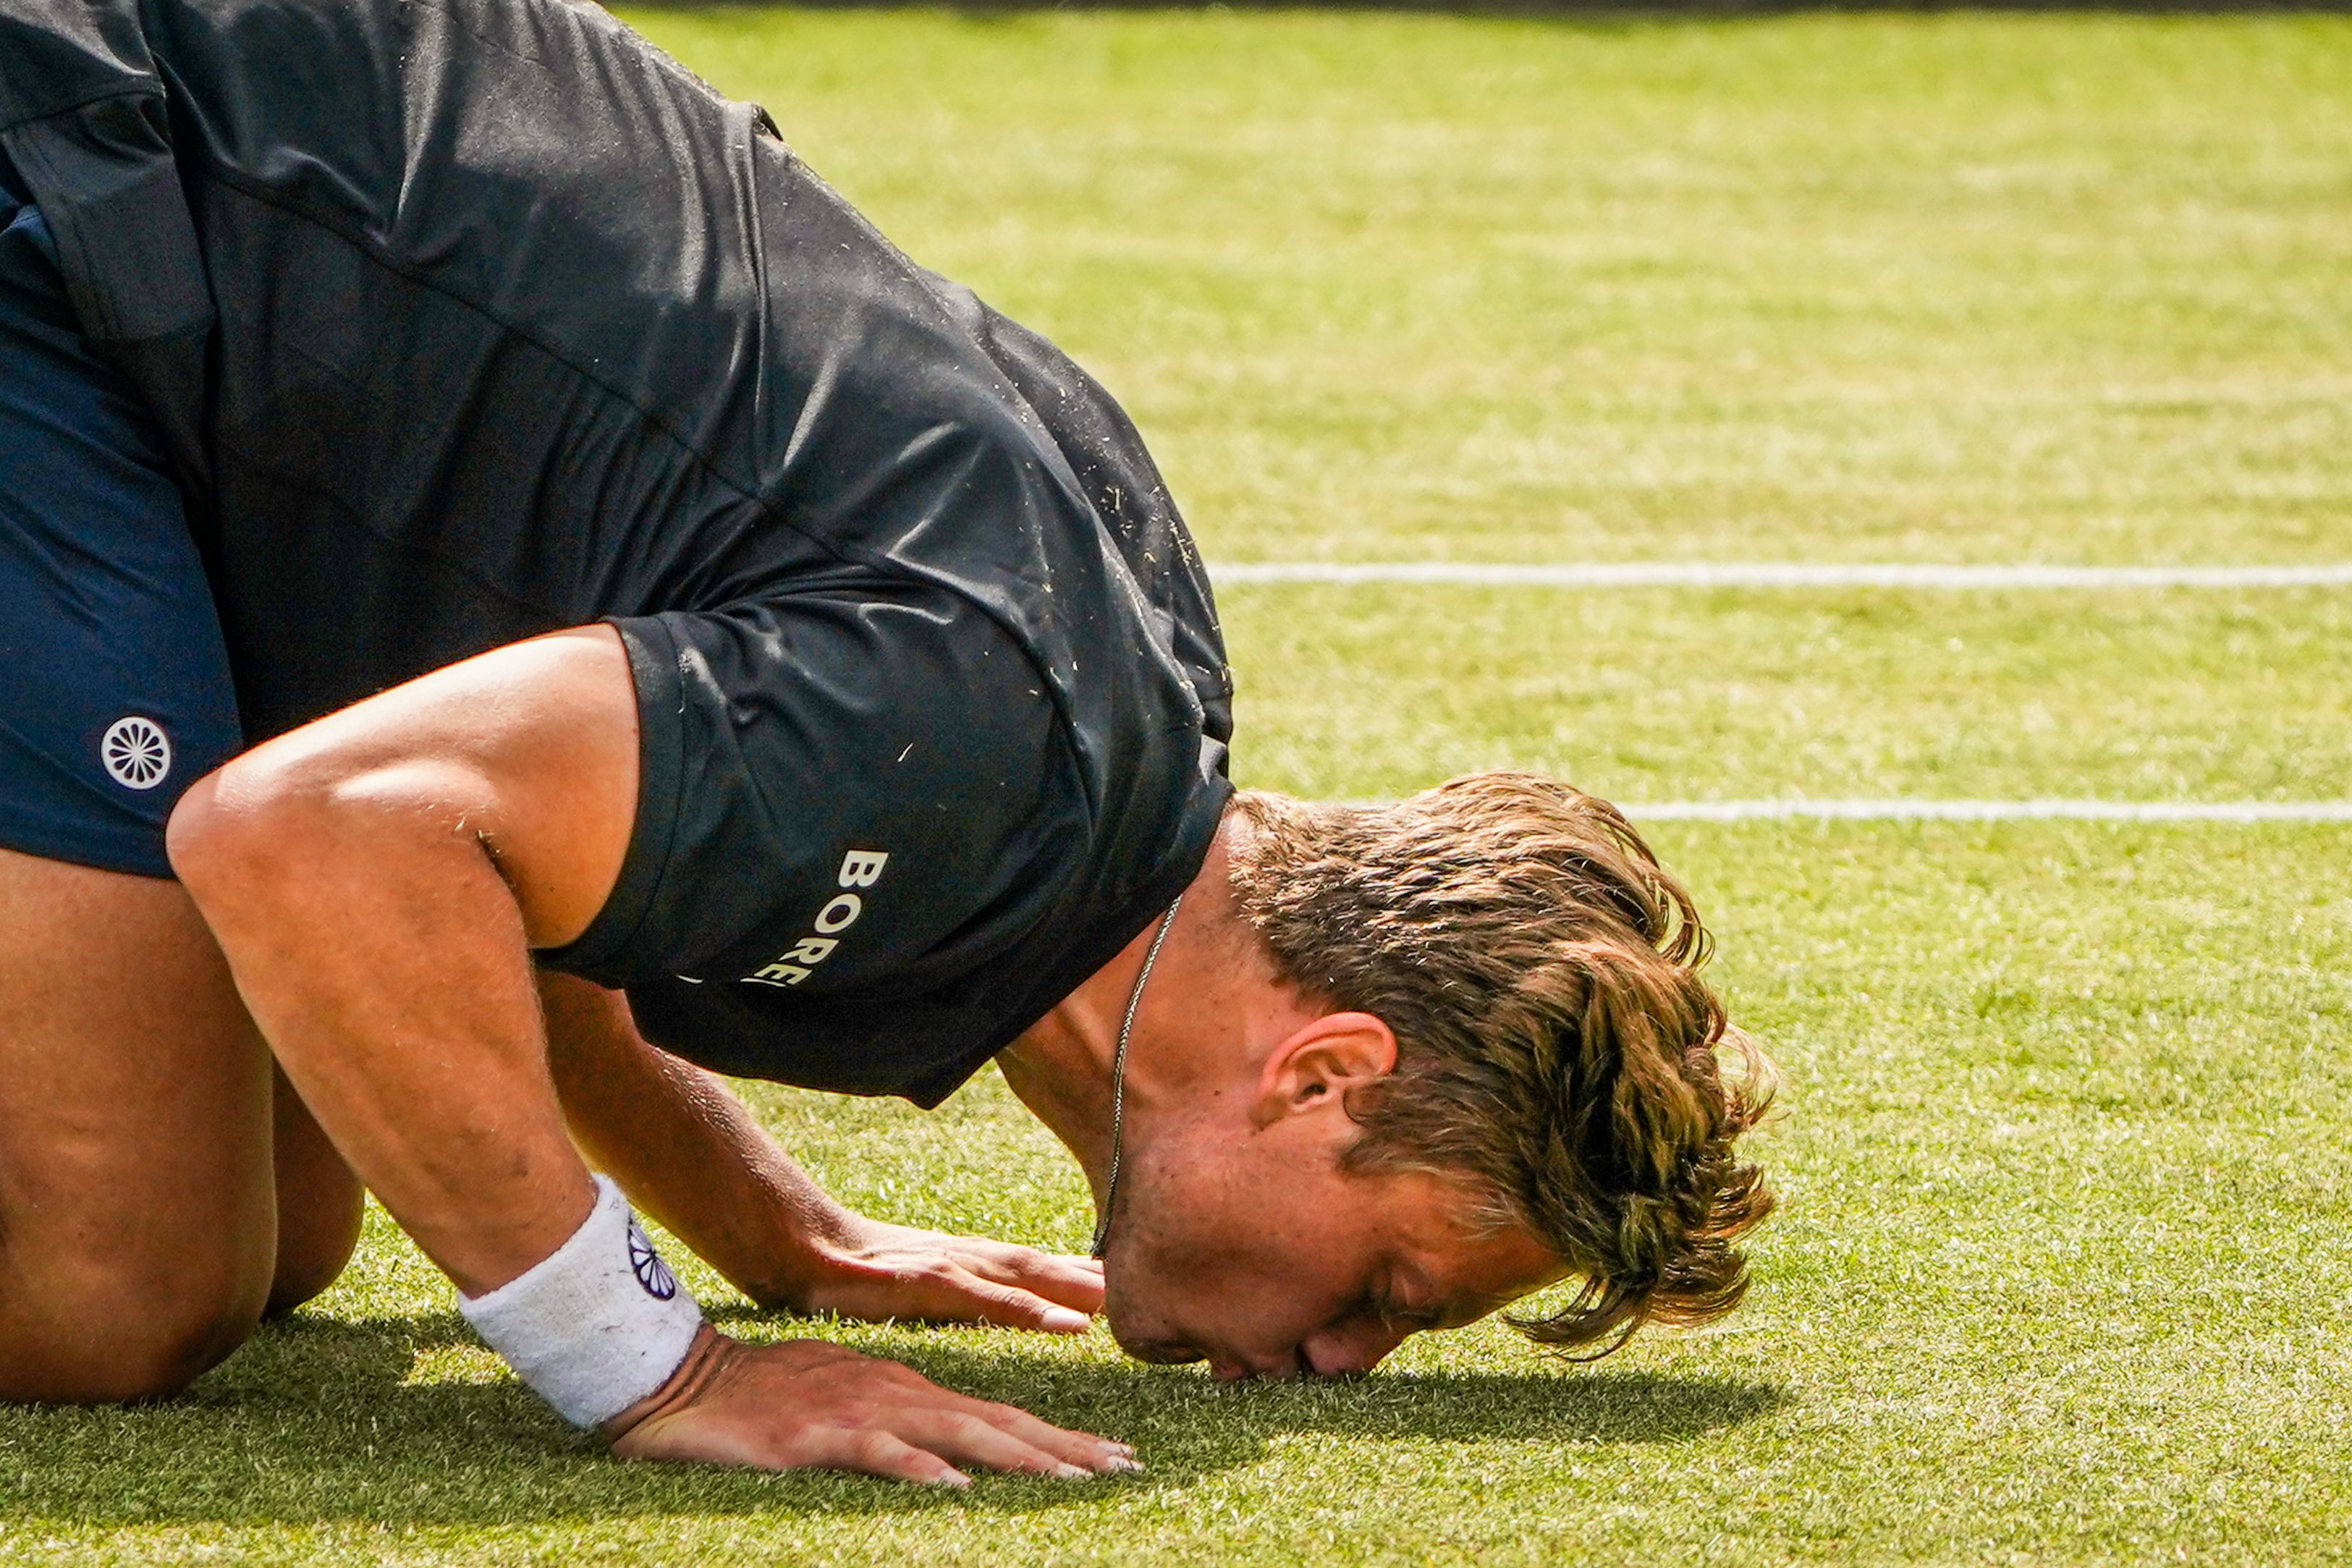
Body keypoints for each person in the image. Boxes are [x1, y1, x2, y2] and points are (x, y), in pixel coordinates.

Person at [0, 0, 1777, 1483]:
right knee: (121, 1286)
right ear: (1324, 1070)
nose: (1339, 1357)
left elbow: (509, 869)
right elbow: (323, 836)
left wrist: (770, 1232)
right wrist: (657, 1370)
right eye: (1388, 1288)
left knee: (289, 1240)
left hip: (171, 294)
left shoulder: (1092, 777)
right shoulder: (971, 748)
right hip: (68, 195)